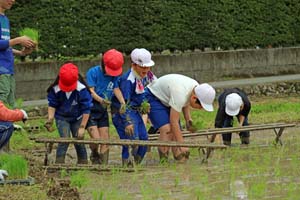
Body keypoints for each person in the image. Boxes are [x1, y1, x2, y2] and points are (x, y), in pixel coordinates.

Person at [145, 74, 216, 162]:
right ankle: (164, 160)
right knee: (167, 129)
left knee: (176, 132)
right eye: (201, 106)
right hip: (154, 96)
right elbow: (173, 121)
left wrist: (188, 120)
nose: (201, 108)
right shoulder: (180, 93)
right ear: (194, 98)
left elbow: (185, 102)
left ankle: (179, 157)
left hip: (168, 99)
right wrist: (182, 144)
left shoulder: (195, 88)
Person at [111, 48, 155, 166]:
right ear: (134, 65)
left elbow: (143, 95)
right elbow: (124, 104)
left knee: (144, 139)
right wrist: (127, 121)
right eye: (143, 67)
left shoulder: (145, 77)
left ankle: (136, 163)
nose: (146, 70)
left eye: (148, 67)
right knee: (131, 138)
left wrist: (145, 106)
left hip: (135, 111)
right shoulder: (128, 80)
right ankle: (127, 164)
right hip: (123, 112)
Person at [44, 62, 92, 164]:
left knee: (79, 139)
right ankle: (59, 162)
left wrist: (82, 127)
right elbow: (52, 104)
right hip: (62, 117)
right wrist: (50, 119)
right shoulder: (56, 89)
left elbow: (86, 109)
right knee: (64, 139)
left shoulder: (81, 89)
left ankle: (83, 162)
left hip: (78, 117)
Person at [85, 49, 126, 165]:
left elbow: (116, 88)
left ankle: (103, 167)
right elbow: (91, 91)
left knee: (105, 140)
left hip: (103, 110)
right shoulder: (93, 72)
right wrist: (101, 100)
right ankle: (94, 152)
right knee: (96, 139)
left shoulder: (115, 76)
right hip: (91, 109)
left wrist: (122, 102)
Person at [0, 0, 36, 108]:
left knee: (10, 105)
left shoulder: (5, 19)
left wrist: (21, 52)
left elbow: (5, 45)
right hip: (1, 70)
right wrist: (18, 40)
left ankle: (7, 125)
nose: (12, 0)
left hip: (8, 70)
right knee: (2, 104)